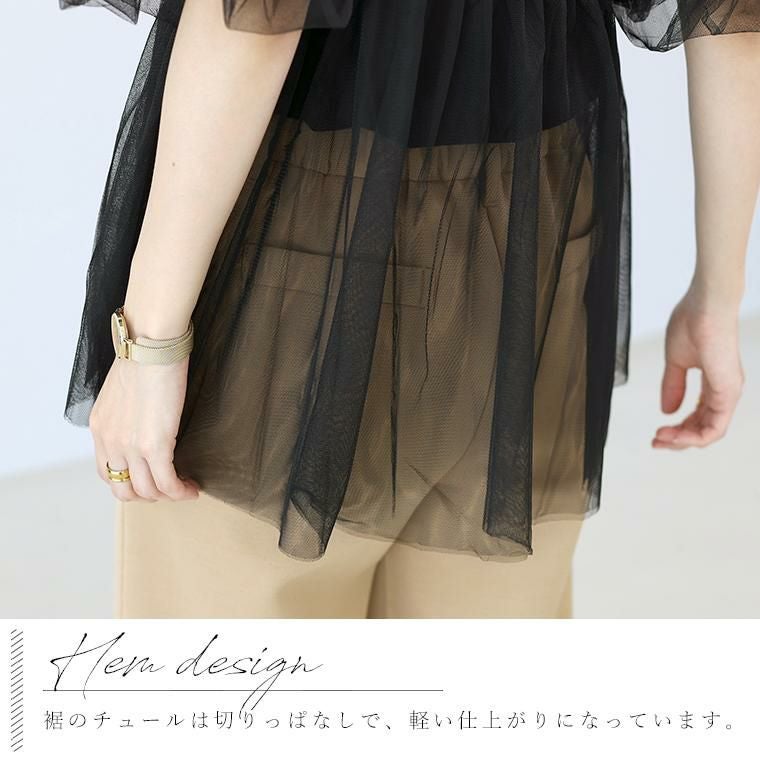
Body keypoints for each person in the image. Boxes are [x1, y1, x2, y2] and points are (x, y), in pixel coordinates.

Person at [60, 0, 760, 618]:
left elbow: (256, 22)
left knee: (233, 675)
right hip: (533, 222)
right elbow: (734, 18)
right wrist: (717, 293)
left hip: (308, 214)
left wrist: (150, 343)